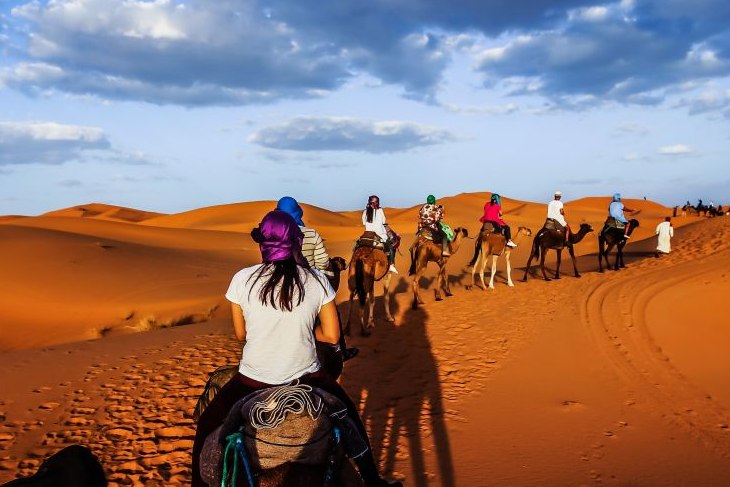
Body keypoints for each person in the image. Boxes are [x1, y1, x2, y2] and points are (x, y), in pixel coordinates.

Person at [191, 210, 401, 487]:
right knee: (351, 421)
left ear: (262, 243)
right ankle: (374, 482)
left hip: (252, 380)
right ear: (296, 242)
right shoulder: (317, 279)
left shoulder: (242, 279)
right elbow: (331, 335)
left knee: (207, 427)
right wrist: (302, 328)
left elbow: (242, 334)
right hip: (308, 378)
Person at [276, 196, 358, 361]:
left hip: (279, 284)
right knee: (333, 316)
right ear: (298, 212)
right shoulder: (311, 235)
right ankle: (341, 351)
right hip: (308, 284)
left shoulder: (275, 234)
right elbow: (322, 263)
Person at [362, 195, 398, 274]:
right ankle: (391, 265)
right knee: (391, 245)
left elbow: (364, 223)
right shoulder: (380, 210)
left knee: (357, 245)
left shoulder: (365, 211)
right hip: (380, 235)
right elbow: (383, 222)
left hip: (367, 234)